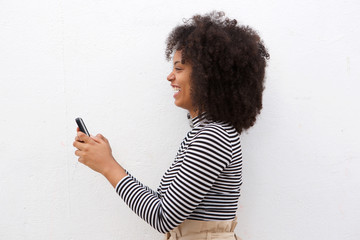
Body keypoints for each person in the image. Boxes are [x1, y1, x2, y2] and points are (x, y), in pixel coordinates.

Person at [73, 11, 269, 240]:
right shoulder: (206, 132)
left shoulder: (214, 136)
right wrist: (106, 159)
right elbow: (164, 206)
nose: (170, 77)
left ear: (207, 76)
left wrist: (107, 166)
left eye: (178, 68)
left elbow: (163, 217)